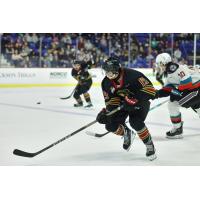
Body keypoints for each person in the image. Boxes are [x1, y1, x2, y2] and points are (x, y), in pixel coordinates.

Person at [96, 56, 157, 161]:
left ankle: (149, 144)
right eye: (106, 72)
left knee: (135, 122)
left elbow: (151, 91)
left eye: (109, 72)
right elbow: (111, 100)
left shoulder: (133, 75)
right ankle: (126, 133)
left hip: (140, 102)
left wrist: (135, 98)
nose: (107, 75)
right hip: (123, 104)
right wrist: (107, 112)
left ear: (116, 70)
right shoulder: (106, 82)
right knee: (110, 125)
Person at [155, 53, 200, 139]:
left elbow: (187, 83)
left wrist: (174, 91)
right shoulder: (170, 73)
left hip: (196, 89)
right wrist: (155, 94)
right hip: (194, 90)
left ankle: (177, 128)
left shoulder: (174, 68)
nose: (159, 67)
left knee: (181, 101)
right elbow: (167, 89)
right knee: (173, 104)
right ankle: (177, 128)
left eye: (159, 64)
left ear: (163, 63)